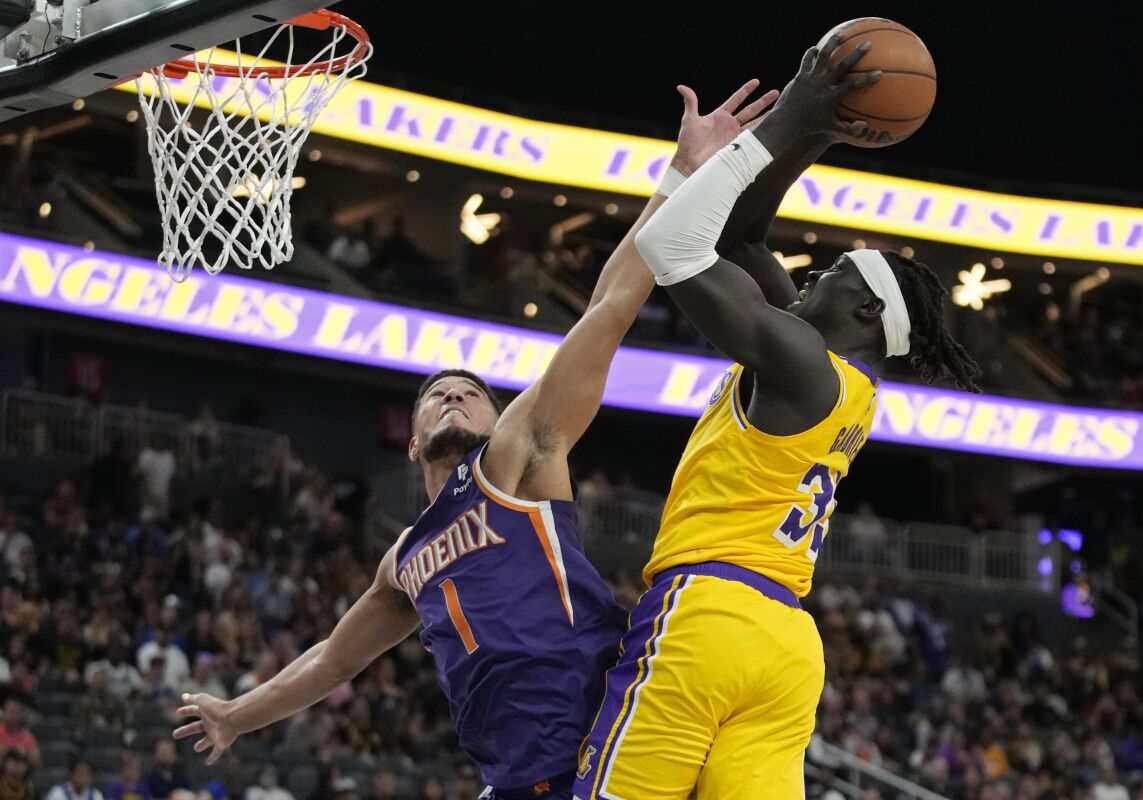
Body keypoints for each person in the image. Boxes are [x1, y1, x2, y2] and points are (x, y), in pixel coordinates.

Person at [172, 81, 779, 800]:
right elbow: (334, 661)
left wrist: (681, 175)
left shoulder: (520, 457)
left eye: (472, 394)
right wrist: (237, 715)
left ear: (498, 419)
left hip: (604, 747)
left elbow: (610, 305)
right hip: (517, 782)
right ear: (410, 439)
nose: (454, 396)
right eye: (436, 396)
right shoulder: (404, 562)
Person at [575, 34, 980, 800]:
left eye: (829, 274)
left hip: (709, 614)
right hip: (786, 643)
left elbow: (672, 243)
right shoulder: (842, 378)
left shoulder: (799, 357)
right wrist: (820, 133)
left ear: (862, 308)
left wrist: (789, 116)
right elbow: (742, 236)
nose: (809, 275)